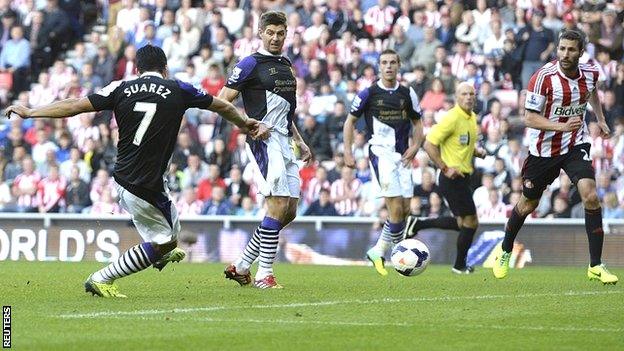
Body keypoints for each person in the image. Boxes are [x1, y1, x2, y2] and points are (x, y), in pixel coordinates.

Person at [5, 45, 260, 298]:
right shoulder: (178, 88)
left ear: (137, 69)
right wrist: (244, 123)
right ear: (165, 68)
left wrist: (32, 112)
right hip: (146, 184)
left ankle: (160, 253)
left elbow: (75, 105)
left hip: (126, 178)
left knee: (171, 233)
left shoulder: (121, 87)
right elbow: (222, 106)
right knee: (167, 241)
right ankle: (102, 277)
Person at [493, 29, 618, 285]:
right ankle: (505, 249)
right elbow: (528, 118)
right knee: (528, 204)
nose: (565, 54)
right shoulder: (543, 78)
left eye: (571, 49)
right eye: (562, 48)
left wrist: (601, 118)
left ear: (581, 52)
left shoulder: (591, 73)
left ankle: (595, 265)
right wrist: (561, 126)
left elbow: (591, 91)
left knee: (591, 196)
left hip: (575, 144)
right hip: (543, 150)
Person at [219, 11, 312, 289]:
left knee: (289, 211)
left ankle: (243, 265)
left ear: (286, 34)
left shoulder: (285, 64)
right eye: (270, 32)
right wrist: (248, 125)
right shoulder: (249, 64)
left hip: (284, 140)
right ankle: (264, 275)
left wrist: (299, 139)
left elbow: (285, 111)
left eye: (280, 33)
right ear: (260, 33)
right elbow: (221, 101)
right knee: (277, 206)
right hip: (264, 142)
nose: (275, 37)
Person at [343, 49, 424, 276]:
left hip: (403, 157)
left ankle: (378, 250)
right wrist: (347, 151)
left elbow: (419, 124)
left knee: (405, 210)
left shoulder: (408, 93)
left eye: (392, 62)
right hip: (381, 153)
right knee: (396, 208)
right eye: (384, 63)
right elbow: (350, 122)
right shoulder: (369, 93)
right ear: (379, 67)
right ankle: (400, 258)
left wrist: (415, 146)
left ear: (399, 65)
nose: (388, 66)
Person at [403, 82, 486, 274]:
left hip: (463, 178)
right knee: (471, 222)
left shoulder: (472, 117)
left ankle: (418, 223)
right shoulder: (452, 118)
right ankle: (459, 266)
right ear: (457, 97)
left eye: (471, 94)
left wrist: (476, 151)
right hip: (452, 179)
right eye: (464, 94)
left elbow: (461, 144)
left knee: (462, 224)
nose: (469, 97)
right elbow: (430, 144)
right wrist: (444, 167)